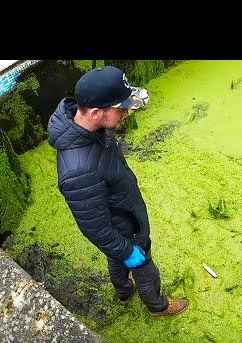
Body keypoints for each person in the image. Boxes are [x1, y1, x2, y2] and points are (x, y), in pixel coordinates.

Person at [47, 66, 188, 316]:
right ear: (95, 112)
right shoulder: (79, 172)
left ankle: (124, 292)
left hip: (124, 212)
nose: (126, 112)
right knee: (144, 267)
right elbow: (95, 227)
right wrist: (129, 252)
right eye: (121, 108)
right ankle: (158, 306)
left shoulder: (94, 129)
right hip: (124, 229)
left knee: (116, 261)